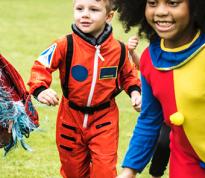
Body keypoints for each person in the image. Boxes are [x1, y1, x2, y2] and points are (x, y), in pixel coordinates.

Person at [28, 0, 141, 177]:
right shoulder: (65, 44)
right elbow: (41, 66)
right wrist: (40, 89)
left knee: (104, 170)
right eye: (80, 9)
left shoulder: (119, 50)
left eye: (94, 9)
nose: (85, 14)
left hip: (105, 119)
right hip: (70, 118)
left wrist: (135, 93)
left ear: (109, 16)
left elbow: (129, 75)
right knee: (72, 171)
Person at [115, 0, 205, 177]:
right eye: (152, 3)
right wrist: (129, 170)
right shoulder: (150, 59)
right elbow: (149, 119)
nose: (160, 11)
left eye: (173, 3)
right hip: (187, 162)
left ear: (195, 6)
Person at [128, 36, 171, 178]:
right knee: (163, 143)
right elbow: (148, 69)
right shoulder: (153, 50)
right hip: (166, 115)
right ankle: (156, 174)